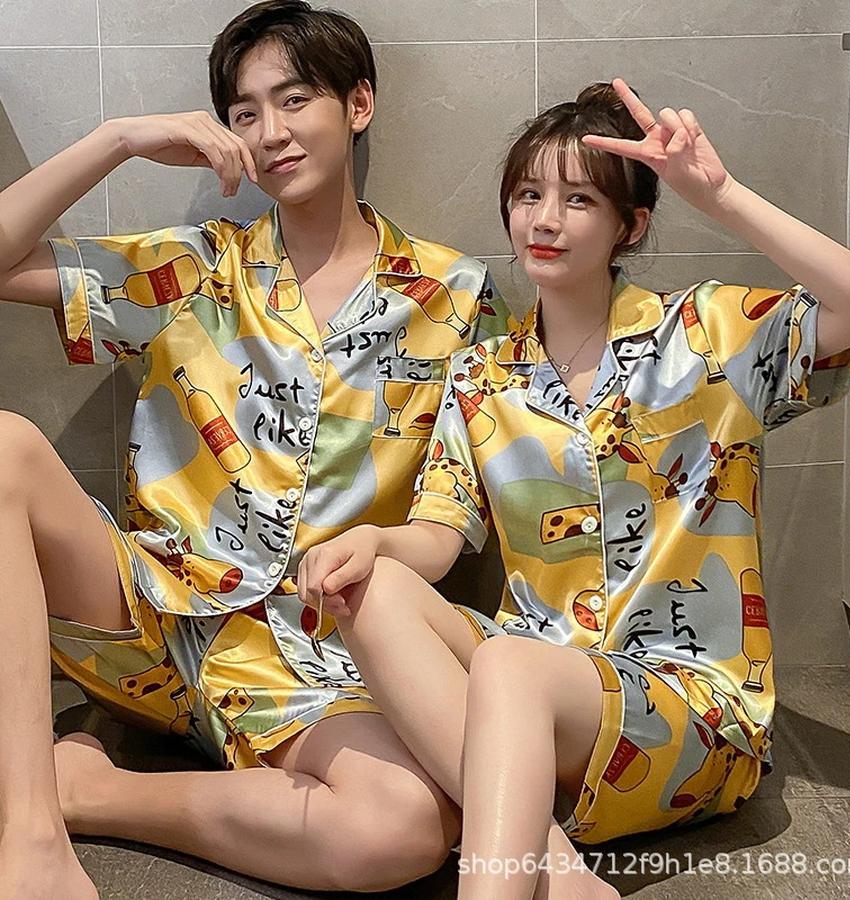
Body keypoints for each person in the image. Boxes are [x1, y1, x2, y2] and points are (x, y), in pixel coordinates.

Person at [296, 78, 850, 899]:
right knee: (372, 589)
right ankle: (560, 870)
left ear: (631, 225)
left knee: (510, 666)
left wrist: (720, 197)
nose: (544, 220)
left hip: (685, 709)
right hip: (535, 703)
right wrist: (373, 541)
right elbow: (438, 535)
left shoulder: (705, 337)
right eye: (528, 195)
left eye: (578, 199)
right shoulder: (483, 376)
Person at [0, 1, 513, 896]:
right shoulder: (194, 267)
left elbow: (449, 512)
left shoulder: (454, 295)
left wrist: (382, 555)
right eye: (246, 112)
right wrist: (119, 139)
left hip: (311, 658)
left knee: (404, 828)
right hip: (148, 621)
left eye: (295, 99)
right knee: (3, 445)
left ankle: (92, 793)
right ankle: (33, 830)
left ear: (358, 104)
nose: (271, 132)